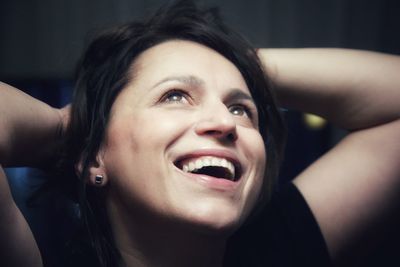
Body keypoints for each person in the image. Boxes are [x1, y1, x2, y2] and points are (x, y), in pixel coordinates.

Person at [1, 1, 399, 266]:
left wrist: (241, 62)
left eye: (241, 108)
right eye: (175, 96)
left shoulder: (279, 244)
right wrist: (71, 131)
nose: (225, 123)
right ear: (93, 159)